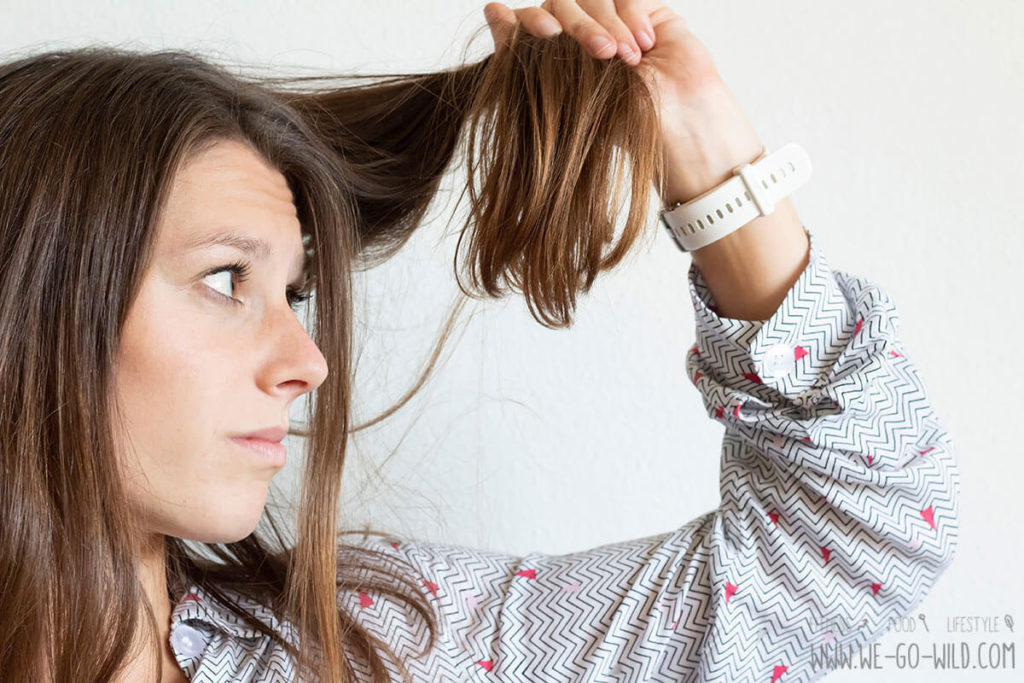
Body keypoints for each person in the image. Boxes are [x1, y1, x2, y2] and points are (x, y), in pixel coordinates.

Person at [0, 1, 959, 681]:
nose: (307, 362)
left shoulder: (391, 642)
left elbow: (860, 532)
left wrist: (708, 155)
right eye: (224, 279)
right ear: (31, 299)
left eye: (295, 292)